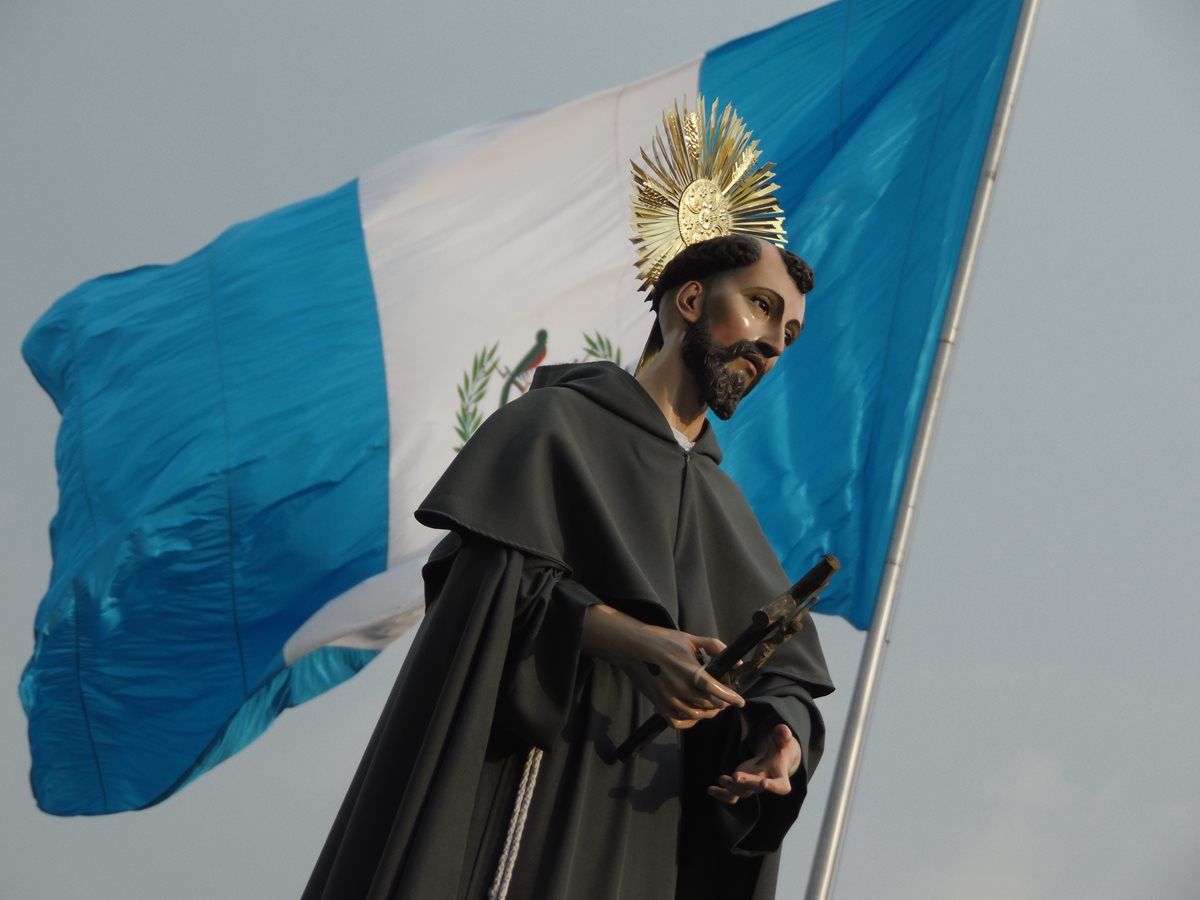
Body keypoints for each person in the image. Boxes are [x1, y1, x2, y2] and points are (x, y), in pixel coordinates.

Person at [302, 232, 834, 900]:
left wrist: (779, 736)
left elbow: (785, 675)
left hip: (648, 822)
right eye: (761, 306)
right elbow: (482, 588)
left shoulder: (725, 507)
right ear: (692, 300)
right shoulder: (555, 426)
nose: (774, 343)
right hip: (533, 787)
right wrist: (625, 637)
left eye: (788, 332)